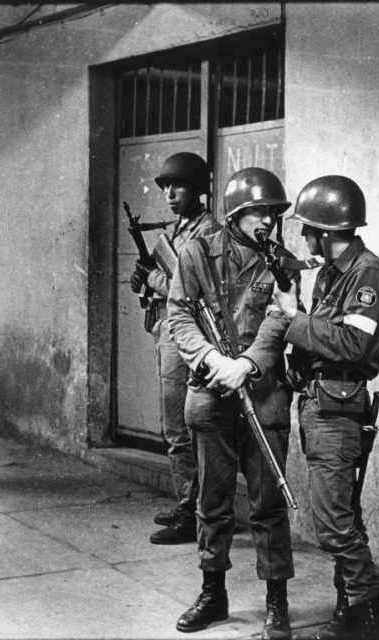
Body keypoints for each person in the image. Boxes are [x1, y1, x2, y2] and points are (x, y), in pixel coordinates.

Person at [167, 167, 298, 638]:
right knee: (213, 500)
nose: (266, 220)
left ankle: (276, 602)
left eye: (272, 212)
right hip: (210, 391)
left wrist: (246, 364)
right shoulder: (197, 253)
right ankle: (212, 592)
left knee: (268, 505)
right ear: (237, 213)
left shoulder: (283, 262)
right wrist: (209, 359)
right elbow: (179, 314)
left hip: (261, 395)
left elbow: (280, 320)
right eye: (257, 212)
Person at [267, 175, 379, 640]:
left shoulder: (367, 274)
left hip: (338, 410)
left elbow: (353, 344)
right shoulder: (329, 274)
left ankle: (369, 622)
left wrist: (291, 317)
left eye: (308, 229)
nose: (303, 238)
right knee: (340, 518)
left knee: (335, 525)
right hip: (318, 405)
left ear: (327, 230)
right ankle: (350, 617)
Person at [130, 152, 221, 545]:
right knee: (173, 426)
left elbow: (197, 291)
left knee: (184, 427)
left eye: (177, 185)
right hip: (167, 333)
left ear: (198, 189)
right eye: (165, 187)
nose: (169, 193)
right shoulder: (179, 231)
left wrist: (153, 280)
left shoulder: (209, 233)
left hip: (190, 338)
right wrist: (143, 281)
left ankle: (197, 511)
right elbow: (158, 282)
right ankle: (188, 503)